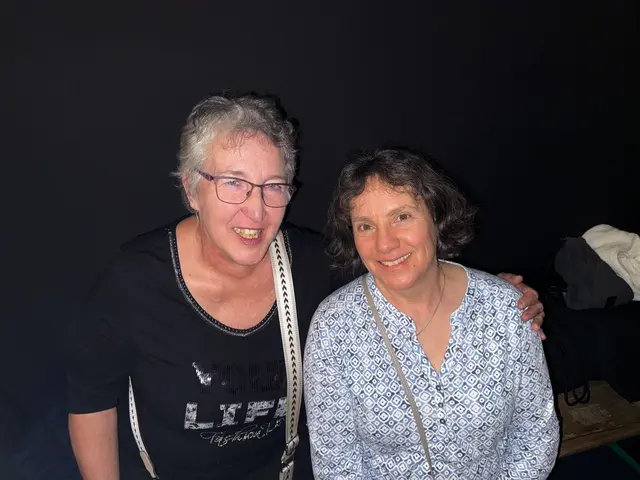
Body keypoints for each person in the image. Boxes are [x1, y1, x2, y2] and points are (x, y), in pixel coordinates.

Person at [66, 93, 545, 480]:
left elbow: (398, 270)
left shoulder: (312, 266)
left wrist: (494, 297)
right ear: (192, 189)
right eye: (233, 183)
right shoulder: (137, 280)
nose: (256, 211)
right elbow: (90, 401)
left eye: (273, 186)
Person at [304, 149, 559, 479]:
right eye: (366, 226)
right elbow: (336, 463)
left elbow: (535, 434)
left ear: (436, 216)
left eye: (401, 217)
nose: (385, 244)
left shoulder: (504, 308)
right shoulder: (334, 327)